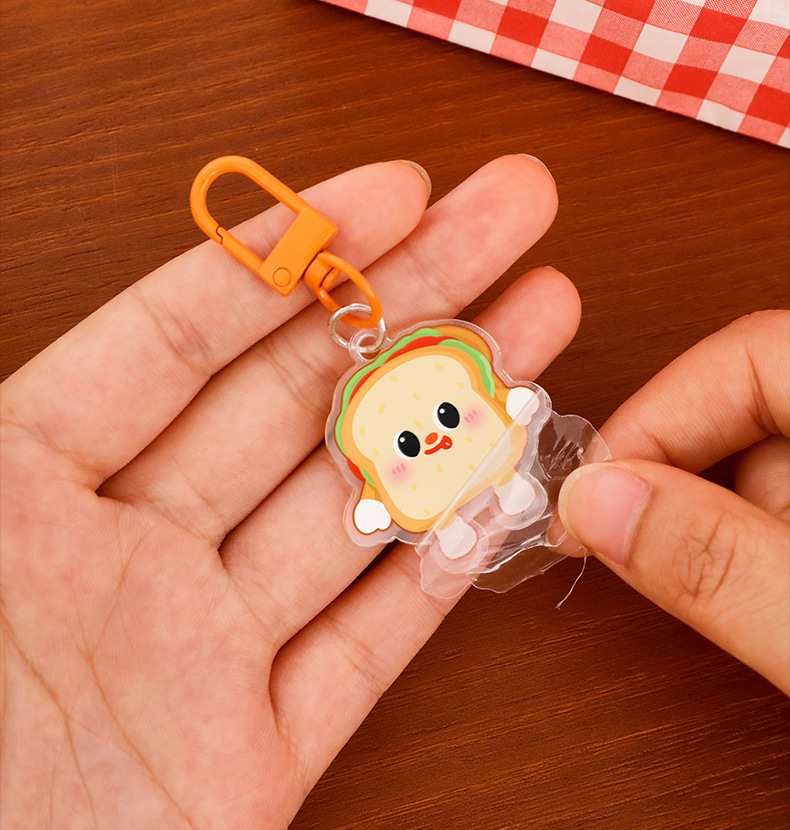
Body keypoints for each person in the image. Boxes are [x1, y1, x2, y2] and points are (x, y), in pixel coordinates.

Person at [1, 156, 786, 827]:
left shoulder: (485, 399)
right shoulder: (378, 461)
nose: (435, 439)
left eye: (446, 415)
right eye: (408, 445)